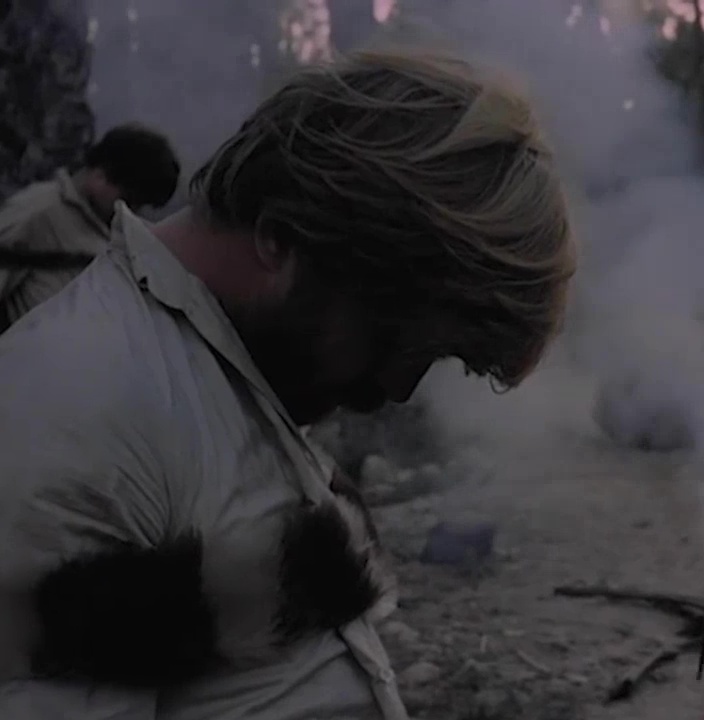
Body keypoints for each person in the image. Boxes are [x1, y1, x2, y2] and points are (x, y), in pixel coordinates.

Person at [0, 47, 575, 720]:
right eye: (394, 339)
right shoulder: (82, 416)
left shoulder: (213, 376)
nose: (397, 388)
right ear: (281, 235)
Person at [0, 122, 180, 331]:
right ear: (100, 174)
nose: (131, 211)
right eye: (129, 199)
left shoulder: (113, 227)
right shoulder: (38, 211)